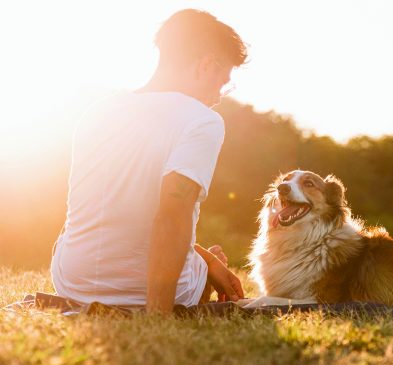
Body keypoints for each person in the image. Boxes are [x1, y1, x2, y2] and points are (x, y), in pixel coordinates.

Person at [50, 9, 247, 314]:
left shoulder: (98, 112)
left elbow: (122, 217)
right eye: (223, 82)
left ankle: (204, 262)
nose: (220, 95)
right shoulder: (203, 121)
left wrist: (204, 259)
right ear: (206, 65)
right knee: (212, 257)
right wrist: (159, 315)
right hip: (144, 295)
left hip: (72, 284)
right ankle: (203, 270)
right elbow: (173, 213)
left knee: (207, 258)